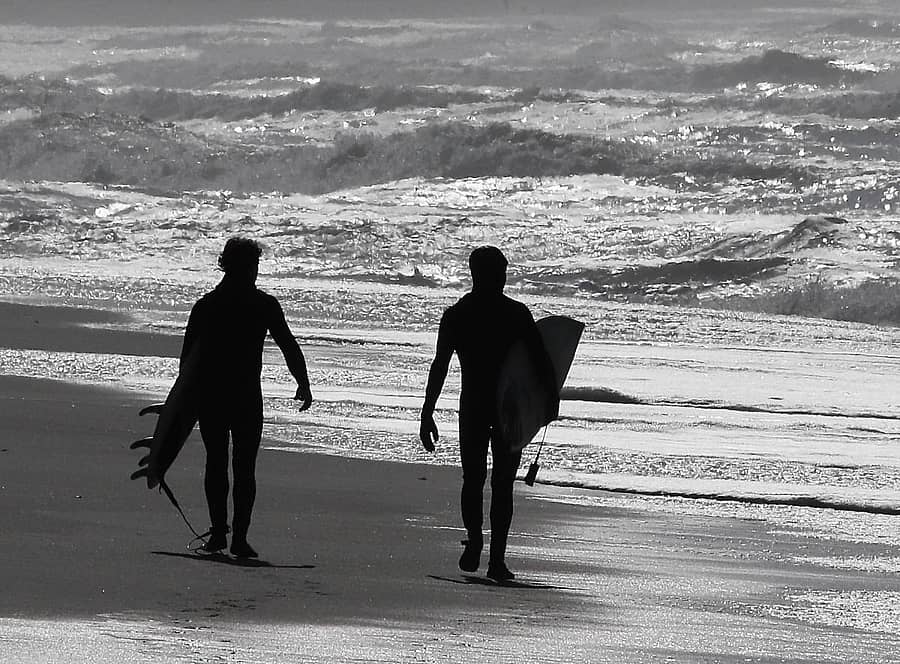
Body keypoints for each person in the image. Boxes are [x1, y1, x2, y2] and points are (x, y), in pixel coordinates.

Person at [419, 246, 556, 581]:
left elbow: (440, 366)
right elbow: (542, 364)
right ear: (487, 274)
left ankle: (481, 545)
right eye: (501, 271)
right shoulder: (516, 314)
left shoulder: (457, 314)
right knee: (499, 483)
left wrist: (428, 411)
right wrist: (549, 402)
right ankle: (493, 557)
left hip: (474, 405)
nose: (505, 277)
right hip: (507, 408)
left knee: (476, 479)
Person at [181, 237, 312, 558]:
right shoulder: (263, 305)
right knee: (243, 468)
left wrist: (185, 404)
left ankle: (219, 534)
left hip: (212, 397)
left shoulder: (207, 306)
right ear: (241, 267)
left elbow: (186, 363)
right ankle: (237, 537)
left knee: (217, 463)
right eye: (253, 266)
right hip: (245, 398)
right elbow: (288, 345)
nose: (255, 272)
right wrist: (303, 382)